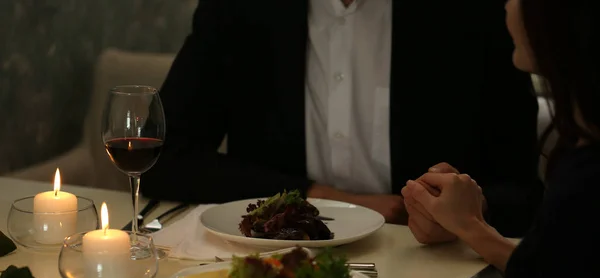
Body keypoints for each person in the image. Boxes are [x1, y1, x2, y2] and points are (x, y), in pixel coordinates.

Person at [219, 0, 600, 278]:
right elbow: (560, 276)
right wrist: (470, 226)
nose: (507, 2)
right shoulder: (583, 166)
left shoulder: (586, 186)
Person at [143, 0, 542, 239]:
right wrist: (325, 198)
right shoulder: (241, 10)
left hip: (430, 267)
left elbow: (523, 192)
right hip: (272, 259)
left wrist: (468, 213)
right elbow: (164, 156)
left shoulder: (473, 14)